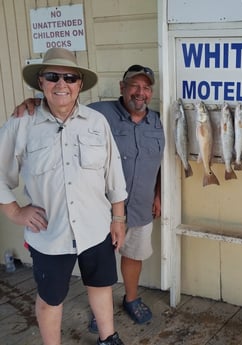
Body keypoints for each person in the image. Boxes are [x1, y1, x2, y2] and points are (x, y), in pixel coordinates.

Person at [14, 64, 165, 329]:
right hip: (100, 211)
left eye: (146, 88)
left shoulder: (157, 121)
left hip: (140, 206)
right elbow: (63, 107)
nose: (140, 93)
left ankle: (131, 299)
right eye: (134, 86)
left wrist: (158, 194)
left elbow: (160, 163)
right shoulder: (99, 113)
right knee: (99, 269)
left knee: (133, 256)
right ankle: (101, 313)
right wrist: (36, 101)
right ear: (122, 87)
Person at [0, 47, 127, 345]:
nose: (62, 84)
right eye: (52, 76)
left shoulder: (96, 122)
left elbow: (114, 174)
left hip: (95, 228)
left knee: (101, 286)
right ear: (40, 82)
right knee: (50, 299)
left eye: (70, 77)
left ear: (79, 83)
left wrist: (118, 217)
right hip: (49, 233)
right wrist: (15, 212)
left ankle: (108, 338)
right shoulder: (21, 123)